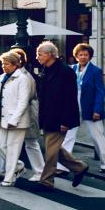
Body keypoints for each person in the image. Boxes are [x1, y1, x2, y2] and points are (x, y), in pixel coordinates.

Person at [35, 41, 88, 188]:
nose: (37, 57)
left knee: (50, 151)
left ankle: (46, 181)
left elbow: (70, 98)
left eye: (40, 54)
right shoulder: (46, 69)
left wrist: (65, 121)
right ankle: (79, 167)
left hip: (59, 118)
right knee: (54, 149)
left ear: (50, 55)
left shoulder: (65, 72)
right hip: (48, 116)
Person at [0, 51, 36, 186]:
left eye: (6, 64)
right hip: (2, 119)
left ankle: (9, 177)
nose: (4, 66)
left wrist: (14, 120)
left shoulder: (23, 78)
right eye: (3, 63)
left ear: (15, 65)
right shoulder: (3, 77)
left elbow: (23, 102)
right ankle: (18, 166)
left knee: (13, 149)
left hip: (17, 121)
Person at [61, 43, 105, 172]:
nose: (83, 57)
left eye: (86, 55)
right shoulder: (71, 69)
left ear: (90, 56)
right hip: (73, 107)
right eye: (80, 54)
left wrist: (97, 110)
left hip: (90, 108)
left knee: (97, 137)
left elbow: (100, 91)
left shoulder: (95, 71)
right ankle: (63, 166)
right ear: (76, 56)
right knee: (68, 137)